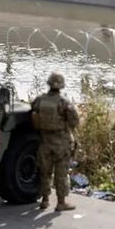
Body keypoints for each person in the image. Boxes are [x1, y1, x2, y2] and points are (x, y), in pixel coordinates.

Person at [32, 72, 80, 212]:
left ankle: (45, 200)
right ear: (61, 86)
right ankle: (61, 202)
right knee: (61, 173)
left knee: (45, 172)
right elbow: (75, 121)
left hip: (44, 141)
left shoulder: (40, 100)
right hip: (61, 142)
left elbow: (33, 111)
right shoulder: (64, 102)